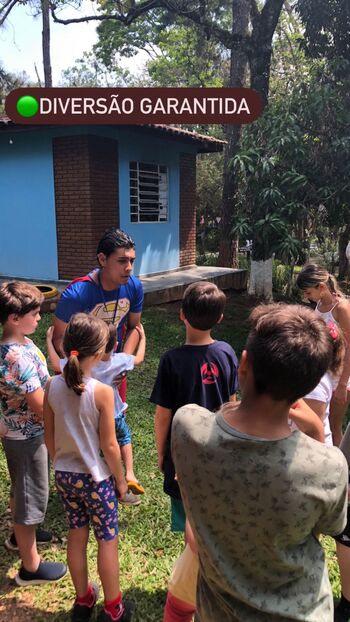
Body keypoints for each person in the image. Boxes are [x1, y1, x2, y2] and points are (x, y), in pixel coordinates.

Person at [172, 303, 348, 622]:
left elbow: (222, 419)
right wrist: (313, 432)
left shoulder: (187, 427)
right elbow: (330, 526)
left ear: (243, 365)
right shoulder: (329, 466)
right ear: (307, 389)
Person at [43, 313, 133, 622]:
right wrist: (120, 483)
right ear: (98, 354)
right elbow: (110, 446)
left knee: (76, 534)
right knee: (107, 539)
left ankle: (83, 601)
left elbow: (49, 436)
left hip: (65, 477)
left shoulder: (51, 385)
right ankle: (113, 608)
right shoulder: (103, 393)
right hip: (97, 479)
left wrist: (61, 463)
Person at [150, 281, 239, 534]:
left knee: (187, 521)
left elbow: (162, 414)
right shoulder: (227, 352)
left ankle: (192, 568)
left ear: (181, 315)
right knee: (214, 516)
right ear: (219, 318)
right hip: (218, 448)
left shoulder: (171, 360)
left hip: (182, 454)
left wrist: (162, 454)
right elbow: (231, 404)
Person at [0, 281, 67, 585]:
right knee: (29, 499)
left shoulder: (20, 344)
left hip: (22, 434)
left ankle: (19, 536)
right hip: (27, 437)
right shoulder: (17, 358)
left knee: (22, 489)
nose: (40, 318)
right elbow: (41, 406)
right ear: (14, 317)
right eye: (35, 313)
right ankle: (30, 567)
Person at [46, 322, 146, 503]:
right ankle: (129, 473)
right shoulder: (119, 361)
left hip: (66, 471)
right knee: (122, 439)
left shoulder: (52, 383)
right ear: (101, 351)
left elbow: (55, 364)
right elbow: (138, 359)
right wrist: (143, 338)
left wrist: (48, 341)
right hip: (113, 417)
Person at [52, 227, 144, 404]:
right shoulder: (76, 294)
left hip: (112, 366)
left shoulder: (134, 287)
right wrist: (82, 369)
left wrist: (122, 364)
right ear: (103, 259)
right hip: (80, 371)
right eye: (122, 261)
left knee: (112, 419)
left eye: (132, 261)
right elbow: (59, 338)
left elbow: (134, 327)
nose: (129, 268)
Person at [296, 264, 350, 446]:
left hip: (341, 376)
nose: (306, 297)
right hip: (323, 373)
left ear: (321, 286)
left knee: (334, 428)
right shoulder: (319, 304)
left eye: (308, 292)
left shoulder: (341, 308)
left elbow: (349, 348)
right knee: (319, 424)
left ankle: (342, 469)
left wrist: (342, 384)